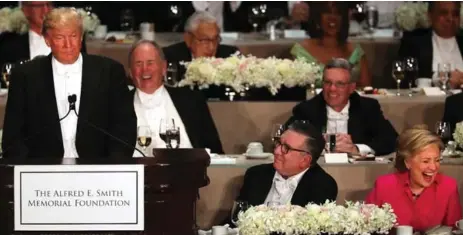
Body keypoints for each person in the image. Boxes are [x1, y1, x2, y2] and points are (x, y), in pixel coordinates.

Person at [1, 7, 136, 159]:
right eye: (59, 38)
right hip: (42, 173)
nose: (68, 44)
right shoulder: (25, 76)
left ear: (81, 37)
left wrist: (111, 169)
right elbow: (13, 138)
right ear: (47, 40)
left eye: (73, 36)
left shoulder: (110, 72)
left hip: (98, 171)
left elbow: (124, 129)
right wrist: (31, 173)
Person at [129, 39, 224, 155]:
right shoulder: (117, 105)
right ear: (130, 71)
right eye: (138, 64)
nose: (145, 70)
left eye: (150, 63)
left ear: (163, 68)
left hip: (188, 170)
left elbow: (215, 150)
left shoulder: (191, 101)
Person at [286, 58, 398, 156]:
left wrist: (357, 149)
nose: (332, 89)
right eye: (328, 82)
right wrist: (314, 146)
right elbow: (285, 139)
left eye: (340, 84)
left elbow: (391, 140)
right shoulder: (307, 109)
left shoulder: (367, 108)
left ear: (351, 88)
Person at [366, 126, 462, 232]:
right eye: (426, 161)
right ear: (408, 162)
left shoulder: (448, 186)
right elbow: (367, 228)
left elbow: (456, 230)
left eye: (437, 160)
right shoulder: (384, 186)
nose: (433, 167)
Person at [236, 120, 337, 206]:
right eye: (279, 143)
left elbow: (313, 228)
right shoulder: (255, 175)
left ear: (305, 160)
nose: (276, 151)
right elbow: (237, 217)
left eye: (286, 148)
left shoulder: (323, 185)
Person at [291, 2, 371, 88]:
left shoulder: (356, 52)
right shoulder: (300, 52)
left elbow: (367, 92)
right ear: (317, 16)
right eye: (327, 12)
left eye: (338, 13)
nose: (332, 17)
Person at [163, 11, 239, 100]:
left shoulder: (229, 56)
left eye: (215, 39)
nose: (211, 47)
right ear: (188, 39)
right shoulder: (170, 57)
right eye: (205, 40)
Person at [0, 1, 87, 68]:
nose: (45, 10)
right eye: (39, 6)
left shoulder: (73, 39)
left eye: (48, 5)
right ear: (25, 10)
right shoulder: (8, 43)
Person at [398, 1, 463, 89]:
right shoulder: (414, 42)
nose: (450, 18)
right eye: (444, 13)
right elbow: (403, 82)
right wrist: (438, 79)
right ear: (430, 16)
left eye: (455, 14)